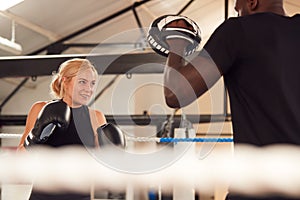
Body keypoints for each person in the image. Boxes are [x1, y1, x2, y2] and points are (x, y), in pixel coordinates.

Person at [163, 0, 300, 199]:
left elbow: (174, 94)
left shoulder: (238, 31)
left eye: (238, 3)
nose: (235, 8)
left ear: (252, 2)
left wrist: (177, 42)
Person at [17, 58, 107, 200]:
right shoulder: (41, 109)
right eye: (82, 81)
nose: (88, 89)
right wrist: (35, 138)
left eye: (92, 83)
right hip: (43, 195)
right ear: (65, 81)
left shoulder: (96, 117)